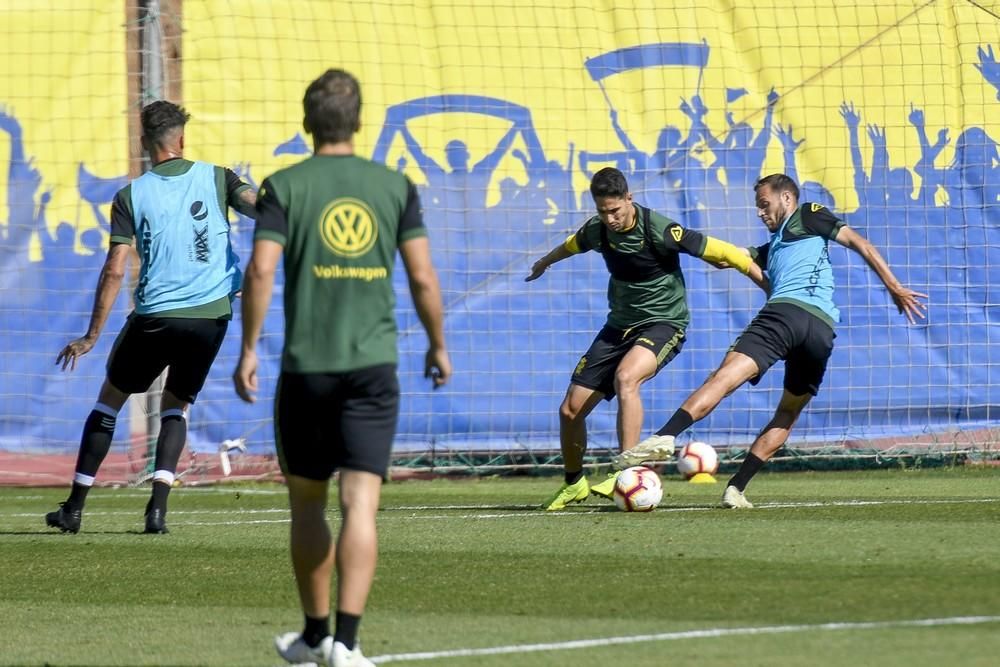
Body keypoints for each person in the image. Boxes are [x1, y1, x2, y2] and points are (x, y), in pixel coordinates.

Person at [233, 69, 450, 667]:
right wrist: (437, 344)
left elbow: (259, 273)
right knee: (360, 505)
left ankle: (312, 635)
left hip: (306, 370)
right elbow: (423, 277)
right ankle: (348, 646)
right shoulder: (394, 186)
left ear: (307, 123)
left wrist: (249, 349)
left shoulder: (284, 186)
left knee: (307, 505)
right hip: (373, 369)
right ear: (358, 122)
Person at [620, 173, 927, 507]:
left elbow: (860, 243)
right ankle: (736, 488)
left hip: (785, 315)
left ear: (786, 199)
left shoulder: (808, 213)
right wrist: (688, 244)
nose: (760, 212)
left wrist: (894, 287)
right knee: (788, 412)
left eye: (764, 204)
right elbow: (729, 258)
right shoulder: (775, 245)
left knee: (723, 378)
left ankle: (666, 435)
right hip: (820, 332)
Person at [45, 100, 256, 534]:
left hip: (156, 317)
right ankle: (157, 511)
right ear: (181, 140)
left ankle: (75, 509)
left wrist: (91, 335)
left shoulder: (130, 195)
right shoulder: (220, 178)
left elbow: (115, 269)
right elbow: (262, 207)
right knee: (177, 405)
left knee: (109, 401)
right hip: (209, 316)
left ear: (145, 144)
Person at [526, 166, 765, 511]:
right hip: (617, 327)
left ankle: (627, 470)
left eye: (615, 210)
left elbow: (725, 253)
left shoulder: (661, 229)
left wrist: (769, 287)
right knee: (570, 410)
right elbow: (570, 245)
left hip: (663, 323)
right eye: (602, 211)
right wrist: (544, 262)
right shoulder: (598, 231)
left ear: (629, 199)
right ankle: (574, 482)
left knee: (627, 377)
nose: (610, 219)